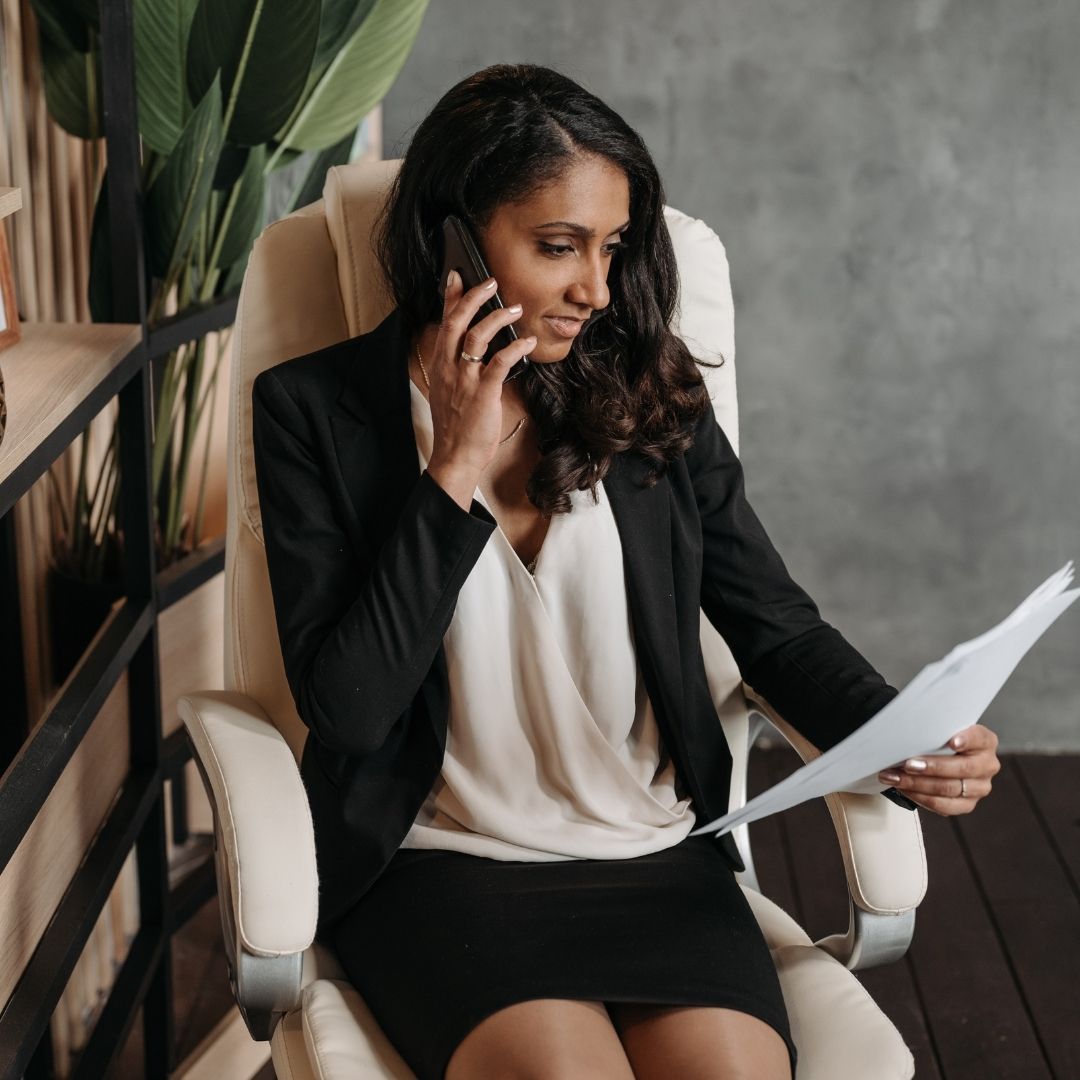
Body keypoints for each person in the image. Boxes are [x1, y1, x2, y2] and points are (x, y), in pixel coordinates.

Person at [251, 63, 1001, 1080]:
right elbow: (349, 708)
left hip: (651, 852)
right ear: (450, 238)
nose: (596, 290)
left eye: (611, 249)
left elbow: (773, 625)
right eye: (558, 247)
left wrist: (909, 739)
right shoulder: (311, 412)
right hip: (440, 864)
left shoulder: (651, 394)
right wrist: (455, 469)